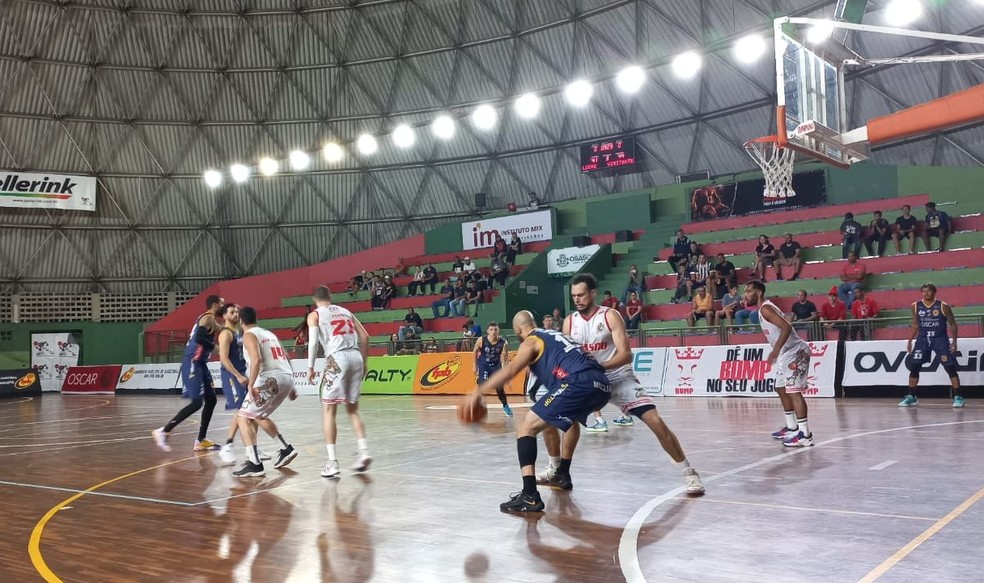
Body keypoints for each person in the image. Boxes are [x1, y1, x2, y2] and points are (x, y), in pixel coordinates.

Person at [536, 274, 704, 495]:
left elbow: (626, 355)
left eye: (581, 295)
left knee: (655, 421)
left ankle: (689, 473)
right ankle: (558, 470)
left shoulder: (610, 316)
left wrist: (598, 366)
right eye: (574, 296)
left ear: (593, 293)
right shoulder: (569, 322)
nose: (577, 299)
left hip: (617, 376)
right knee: (554, 417)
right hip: (588, 380)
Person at [465, 311, 611, 513]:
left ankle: (530, 495)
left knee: (525, 426)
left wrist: (478, 391)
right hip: (601, 384)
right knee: (566, 421)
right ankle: (562, 473)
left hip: (576, 382)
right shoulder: (556, 335)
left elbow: (511, 369)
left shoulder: (532, 340)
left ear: (518, 330)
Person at [306, 286, 372, 478]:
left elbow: (313, 343)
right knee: (353, 409)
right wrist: (365, 362)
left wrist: (310, 367)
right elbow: (365, 336)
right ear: (330, 296)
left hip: (337, 358)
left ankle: (332, 462)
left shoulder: (315, 315)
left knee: (329, 410)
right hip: (355, 356)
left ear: (314, 299)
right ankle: (364, 451)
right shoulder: (346, 311)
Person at [231, 307, 300, 477]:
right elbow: (285, 355)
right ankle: (286, 448)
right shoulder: (269, 334)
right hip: (286, 376)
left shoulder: (248, 335)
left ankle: (255, 464)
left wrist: (250, 385)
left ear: (241, 321)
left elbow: (257, 359)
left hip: (270, 378)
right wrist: (292, 386)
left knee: (243, 417)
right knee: (258, 415)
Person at [744, 281, 814, 447]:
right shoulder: (763, 309)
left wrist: (775, 350)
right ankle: (791, 427)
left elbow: (786, 326)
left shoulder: (766, 309)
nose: (745, 295)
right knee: (780, 388)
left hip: (795, 351)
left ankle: (805, 435)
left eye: (748, 291)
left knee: (794, 392)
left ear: (759, 293)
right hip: (786, 353)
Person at [152, 294, 225, 452]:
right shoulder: (207, 319)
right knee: (197, 402)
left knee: (211, 399)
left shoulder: (212, 321)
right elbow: (199, 338)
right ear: (214, 304)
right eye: (222, 304)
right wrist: (216, 348)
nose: (223, 307)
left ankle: (200, 440)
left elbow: (223, 331)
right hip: (192, 362)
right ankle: (164, 431)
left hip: (201, 364)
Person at [216, 303, 276, 465]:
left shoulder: (240, 333)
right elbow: (223, 358)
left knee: (251, 409)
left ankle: (254, 448)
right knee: (243, 409)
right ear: (224, 316)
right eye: (232, 312)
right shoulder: (226, 334)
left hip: (244, 374)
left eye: (237, 312)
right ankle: (227, 445)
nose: (236, 314)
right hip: (232, 375)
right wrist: (238, 375)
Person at [899, 284, 963, 408]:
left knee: (949, 367)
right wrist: (910, 340)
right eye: (923, 291)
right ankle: (912, 397)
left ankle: (958, 397)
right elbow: (915, 324)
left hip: (940, 339)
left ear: (934, 292)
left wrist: (954, 341)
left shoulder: (943, 306)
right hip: (922, 339)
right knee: (915, 366)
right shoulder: (915, 306)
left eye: (928, 291)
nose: (926, 293)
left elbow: (953, 324)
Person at [474, 322, 512, 416]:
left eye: (495, 329)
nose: (493, 332)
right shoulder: (481, 340)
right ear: (487, 331)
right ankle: (477, 405)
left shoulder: (504, 343)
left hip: (496, 366)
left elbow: (506, 359)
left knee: (499, 388)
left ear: (498, 330)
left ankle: (505, 406)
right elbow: (474, 351)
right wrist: (474, 365)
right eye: (491, 330)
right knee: (483, 385)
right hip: (484, 364)